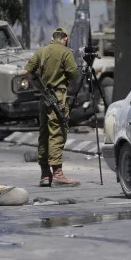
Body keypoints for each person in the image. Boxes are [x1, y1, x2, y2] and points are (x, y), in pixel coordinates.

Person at [25, 27, 80, 187]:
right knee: (57, 133)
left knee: (44, 134)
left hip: (44, 98)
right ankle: (57, 173)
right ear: (65, 38)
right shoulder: (65, 51)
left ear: (52, 37)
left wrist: (39, 86)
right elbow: (74, 74)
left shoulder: (41, 51)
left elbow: (26, 72)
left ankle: (44, 174)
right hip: (58, 98)